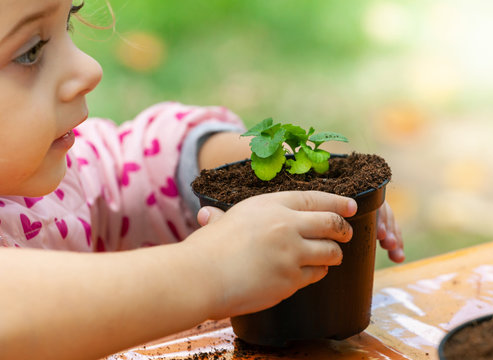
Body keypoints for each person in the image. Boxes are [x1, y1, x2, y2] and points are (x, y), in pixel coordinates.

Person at [0, 0, 404, 359]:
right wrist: (210, 269)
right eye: (29, 51)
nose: (90, 68)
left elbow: (132, 170)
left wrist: (277, 170)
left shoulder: (42, 185)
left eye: (67, 22)